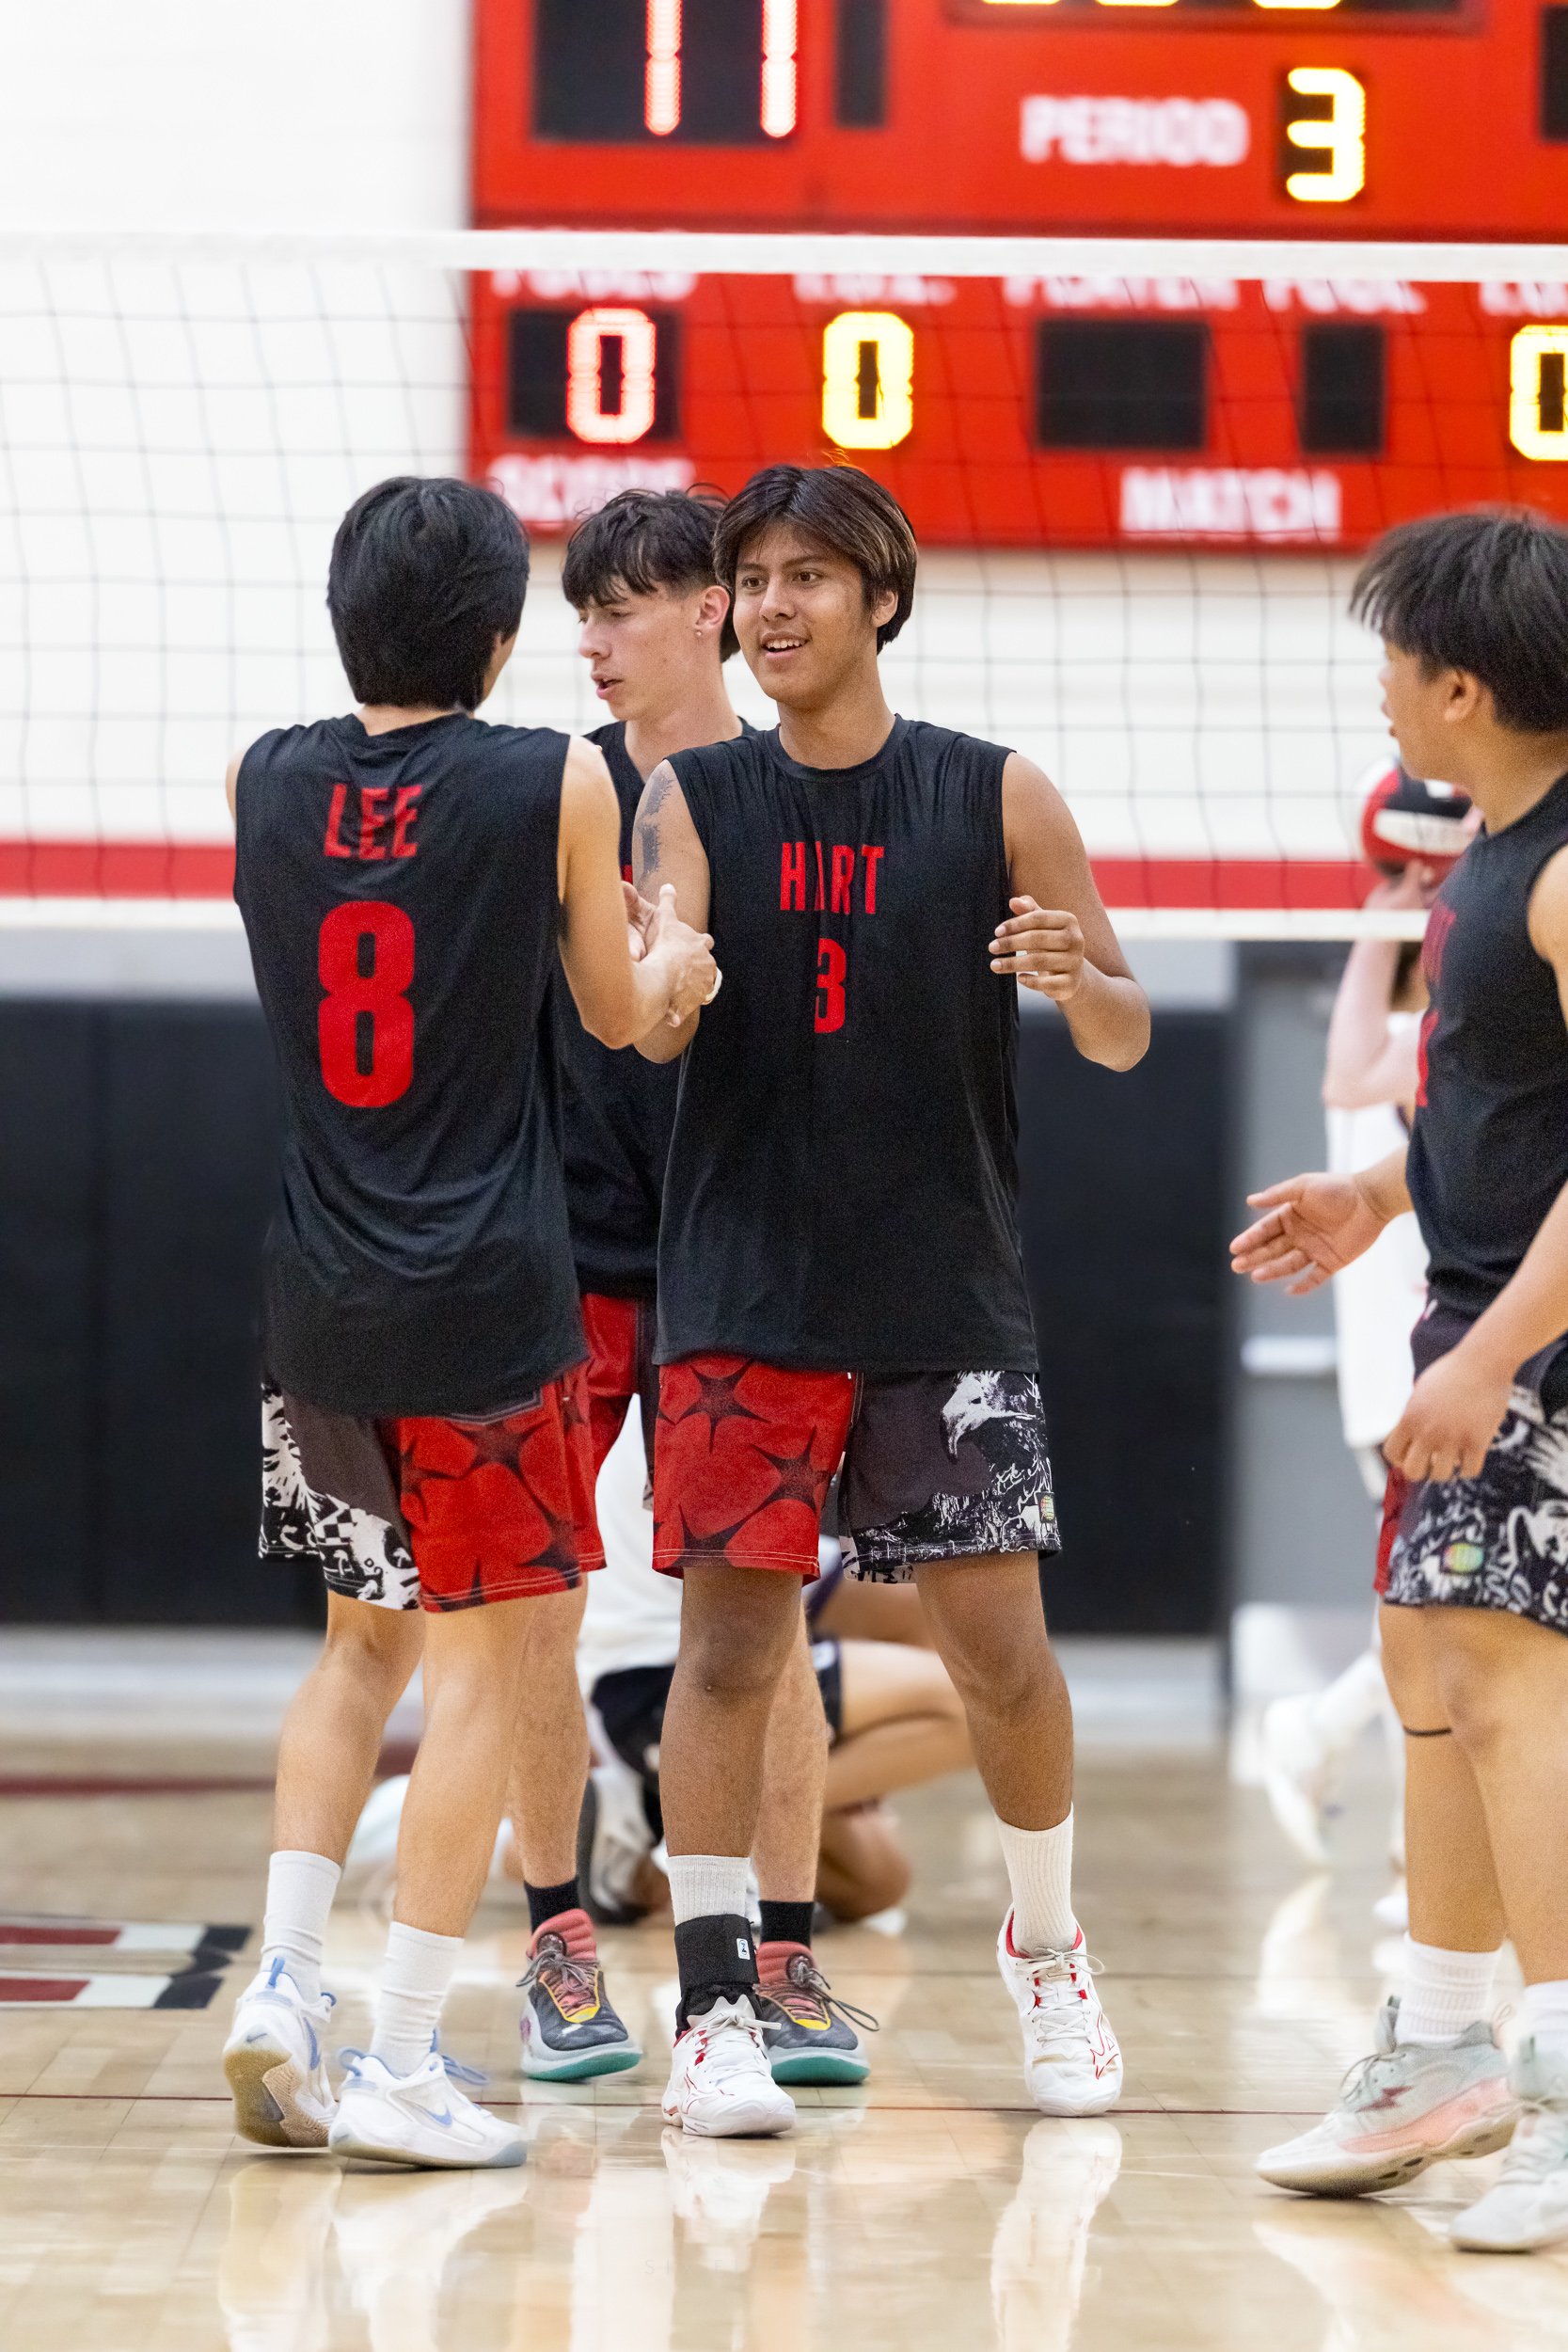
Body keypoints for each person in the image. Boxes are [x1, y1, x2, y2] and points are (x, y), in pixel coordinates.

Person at [633, 462, 1150, 2137]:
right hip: (744, 1294)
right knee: (730, 1653)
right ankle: (715, 2006)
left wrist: (1078, 983)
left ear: (881, 597)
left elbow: (1125, 1027)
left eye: (806, 576)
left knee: (1001, 1655)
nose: (770, 606)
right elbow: (652, 1017)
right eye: (750, 580)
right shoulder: (691, 796)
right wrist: (664, 982)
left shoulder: (995, 792)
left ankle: (1048, 1953)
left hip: (943, 1296)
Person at [221, 475, 716, 2169]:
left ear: (343, 614)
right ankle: (404, 2060)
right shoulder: (548, 777)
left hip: (316, 1298)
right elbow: (621, 1019)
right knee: (498, 1669)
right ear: (500, 640)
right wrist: (679, 962)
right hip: (487, 1303)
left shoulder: (263, 777)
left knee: (355, 1650)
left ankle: (286, 1984)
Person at [503, 484, 872, 2084]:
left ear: (708, 610)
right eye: (579, 612)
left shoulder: (796, 796)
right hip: (570, 1252)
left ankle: (780, 1959)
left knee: (755, 1622)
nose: (591, 638)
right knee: (531, 1605)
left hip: (745, 1260)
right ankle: (556, 1947)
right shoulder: (549, 795)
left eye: (620, 607)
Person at [1232, 506, 1568, 2253]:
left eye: (1393, 658)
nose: (1376, 686)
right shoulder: (1490, 862)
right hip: (1469, 1306)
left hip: (1537, 1343)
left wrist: (1495, 1358)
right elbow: (1498, 1111)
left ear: (1460, 688)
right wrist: (1374, 1193)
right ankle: (1437, 2052)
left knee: (1504, 1689)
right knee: (1426, 1662)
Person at [1258, 768, 1470, 1880]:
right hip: (1411, 1377)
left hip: (1435, 1369)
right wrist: (1398, 901)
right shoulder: (1411, 1042)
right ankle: (1334, 1755)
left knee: (1438, 1611)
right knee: (1437, 1616)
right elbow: (1351, 1071)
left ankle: (1381, 1817)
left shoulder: (1440, 1031)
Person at [579, 1402, 974, 1946]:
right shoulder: (715, 1399)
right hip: (665, 1685)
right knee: (968, 1706)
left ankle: (648, 1842)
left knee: (876, 1881)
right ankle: (708, 1840)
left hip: (660, 1674)